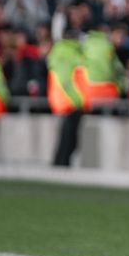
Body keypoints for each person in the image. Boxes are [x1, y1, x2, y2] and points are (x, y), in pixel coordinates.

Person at [48, 34, 90, 167]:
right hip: (70, 101)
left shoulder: (66, 52)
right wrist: (79, 100)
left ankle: (62, 162)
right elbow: (66, 81)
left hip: (70, 100)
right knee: (68, 136)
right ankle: (61, 163)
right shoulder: (66, 54)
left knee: (69, 135)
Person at [82, 28, 124, 106]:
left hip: (87, 92)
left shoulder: (85, 45)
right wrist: (121, 88)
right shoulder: (108, 46)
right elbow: (118, 69)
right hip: (108, 93)